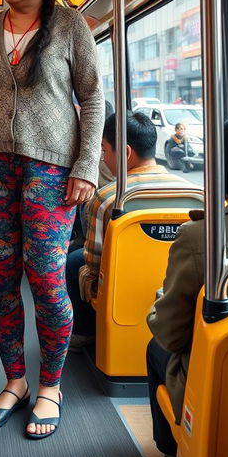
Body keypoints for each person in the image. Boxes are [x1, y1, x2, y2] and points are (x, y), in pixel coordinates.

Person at [0, 0, 104, 439]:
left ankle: (51, 384)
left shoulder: (70, 25)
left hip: (51, 170)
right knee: (0, 282)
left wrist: (86, 165)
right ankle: (15, 381)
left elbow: (92, 98)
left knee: (47, 281)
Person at [146, 111, 228, 457]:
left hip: (222, 385)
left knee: (155, 349)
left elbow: (171, 334)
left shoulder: (198, 238)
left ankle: (174, 448)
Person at [66, 112, 190, 348]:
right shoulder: (195, 194)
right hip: (176, 282)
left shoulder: (108, 197)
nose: (102, 159)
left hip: (120, 286)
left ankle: (84, 332)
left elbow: (93, 262)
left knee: (72, 262)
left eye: (104, 150)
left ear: (125, 152)